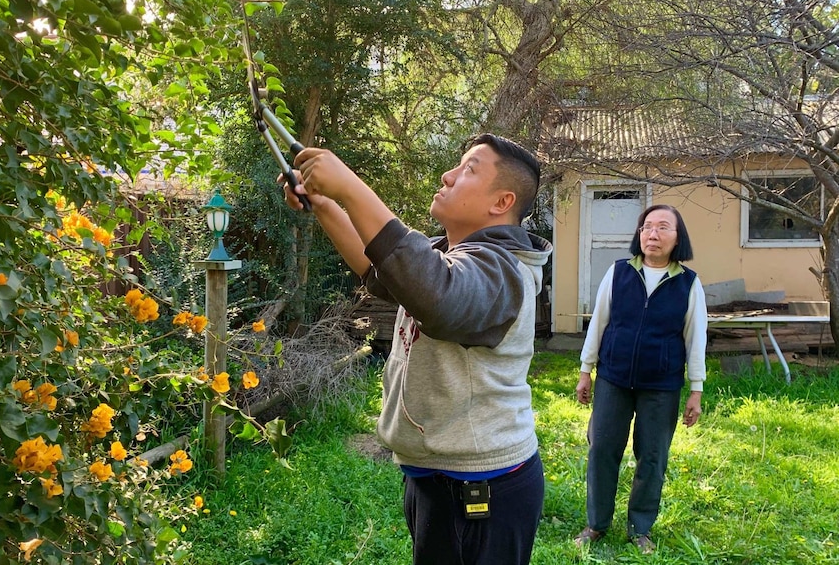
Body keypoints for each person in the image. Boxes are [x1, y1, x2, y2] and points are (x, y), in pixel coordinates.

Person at [280, 133, 552, 565]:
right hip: (437, 477)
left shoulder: (505, 269)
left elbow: (436, 292)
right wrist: (327, 205)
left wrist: (350, 186)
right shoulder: (455, 255)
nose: (448, 175)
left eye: (468, 169)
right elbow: (381, 268)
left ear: (501, 202)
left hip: (482, 487)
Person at [573, 204, 707, 555]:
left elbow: (696, 339)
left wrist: (696, 389)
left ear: (678, 238)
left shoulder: (688, 284)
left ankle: (640, 528)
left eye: (663, 227)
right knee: (602, 450)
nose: (653, 234)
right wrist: (586, 370)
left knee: (652, 457)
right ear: (639, 234)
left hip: (661, 385)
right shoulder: (618, 273)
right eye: (647, 226)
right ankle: (596, 524)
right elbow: (598, 323)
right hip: (613, 379)